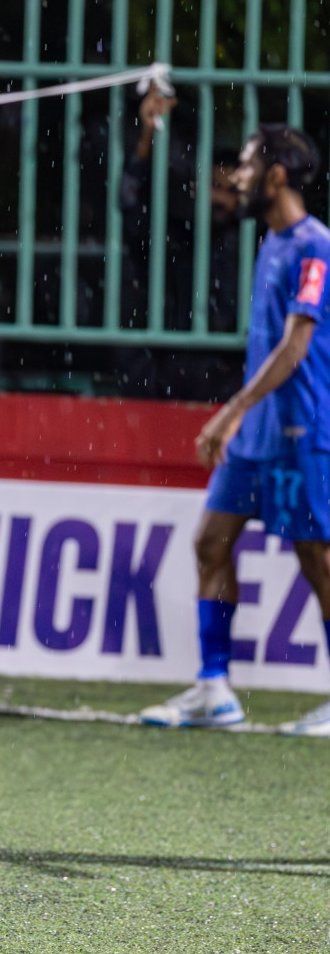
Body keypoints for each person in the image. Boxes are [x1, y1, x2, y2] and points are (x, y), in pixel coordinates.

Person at [142, 124, 330, 736]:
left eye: (247, 166)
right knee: (210, 542)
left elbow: (297, 345)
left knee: (318, 560)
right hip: (257, 432)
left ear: (276, 174)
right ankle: (214, 687)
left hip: (302, 428)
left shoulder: (315, 247)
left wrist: (230, 410)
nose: (235, 177)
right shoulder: (272, 242)